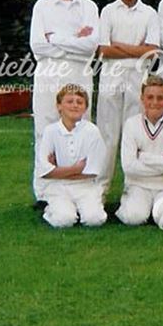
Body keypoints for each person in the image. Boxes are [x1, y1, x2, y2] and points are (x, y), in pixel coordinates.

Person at [28, 0, 100, 203]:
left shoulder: (89, 7)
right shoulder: (43, 6)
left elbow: (90, 47)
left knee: (81, 128)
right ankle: (44, 192)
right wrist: (74, 39)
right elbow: (38, 46)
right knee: (45, 130)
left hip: (79, 73)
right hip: (49, 75)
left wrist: (56, 38)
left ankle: (80, 188)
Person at [96, 0, 160, 194]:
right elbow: (103, 50)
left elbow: (153, 52)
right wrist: (136, 49)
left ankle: (133, 190)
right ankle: (99, 190)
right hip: (111, 78)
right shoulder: (108, 11)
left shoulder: (149, 14)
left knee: (134, 135)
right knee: (108, 136)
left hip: (138, 80)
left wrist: (120, 46)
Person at [117, 76, 163, 227]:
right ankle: (133, 202)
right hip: (138, 184)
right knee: (133, 218)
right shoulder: (131, 124)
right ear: (142, 98)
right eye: (150, 97)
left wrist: (143, 157)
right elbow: (128, 167)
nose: (155, 102)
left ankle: (162, 205)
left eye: (160, 98)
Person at [36, 84, 108, 228]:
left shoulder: (92, 131)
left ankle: (82, 208)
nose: (75, 105)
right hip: (58, 186)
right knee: (64, 220)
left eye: (79, 102)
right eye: (70, 101)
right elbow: (44, 171)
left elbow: (92, 172)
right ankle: (53, 209)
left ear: (85, 107)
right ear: (59, 106)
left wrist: (58, 170)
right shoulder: (50, 131)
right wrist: (76, 169)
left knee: (94, 220)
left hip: (85, 186)